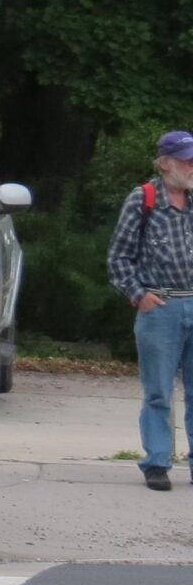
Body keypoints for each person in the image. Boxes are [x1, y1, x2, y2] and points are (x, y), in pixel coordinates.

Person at [108, 129, 193, 491]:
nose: (192, 168)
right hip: (160, 307)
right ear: (166, 163)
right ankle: (157, 462)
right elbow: (118, 258)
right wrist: (138, 295)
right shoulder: (141, 199)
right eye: (188, 161)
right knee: (158, 391)